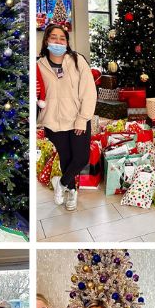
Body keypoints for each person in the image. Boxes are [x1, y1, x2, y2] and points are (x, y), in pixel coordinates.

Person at [36, 23, 96, 212]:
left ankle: (60, 184)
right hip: (53, 121)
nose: (58, 41)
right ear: (46, 40)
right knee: (66, 158)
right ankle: (72, 191)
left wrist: (82, 118)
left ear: (67, 42)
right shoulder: (39, 65)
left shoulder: (77, 61)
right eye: (54, 37)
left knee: (81, 158)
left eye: (62, 38)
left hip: (77, 118)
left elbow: (89, 92)